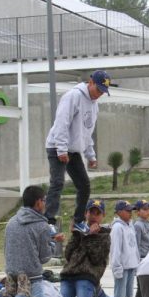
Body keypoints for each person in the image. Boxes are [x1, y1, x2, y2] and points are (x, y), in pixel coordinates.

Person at [44, 70, 111, 233]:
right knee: (58, 182)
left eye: (103, 92)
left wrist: (90, 155)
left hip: (73, 151)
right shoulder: (73, 96)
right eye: (98, 90)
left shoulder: (94, 105)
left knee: (84, 185)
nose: (99, 94)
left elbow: (87, 132)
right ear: (91, 83)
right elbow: (61, 122)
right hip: (56, 146)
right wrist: (61, 148)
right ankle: (48, 221)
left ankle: (79, 220)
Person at [110, 200, 140, 297]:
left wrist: (137, 263)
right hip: (122, 268)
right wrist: (116, 267)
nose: (130, 213)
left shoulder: (130, 226)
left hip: (132, 265)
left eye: (131, 210)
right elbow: (115, 249)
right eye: (127, 211)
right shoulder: (117, 227)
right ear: (119, 212)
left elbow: (134, 246)